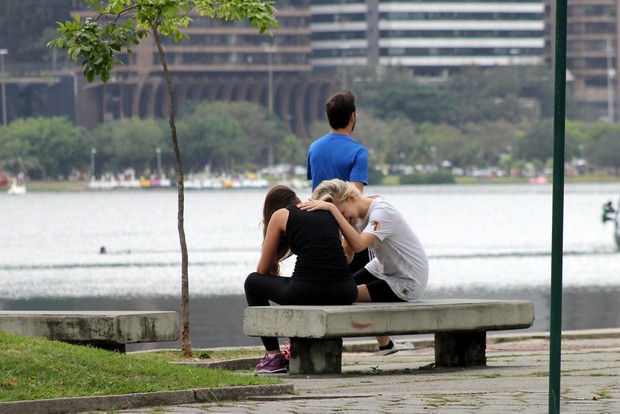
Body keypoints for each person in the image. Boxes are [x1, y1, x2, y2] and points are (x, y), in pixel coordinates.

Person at [298, 179, 429, 355]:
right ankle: (387, 346)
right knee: (340, 289)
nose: (344, 219)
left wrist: (332, 210)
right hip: (384, 267)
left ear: (352, 197)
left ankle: (385, 345)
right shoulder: (357, 212)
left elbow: (359, 245)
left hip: (408, 279)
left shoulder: (382, 212)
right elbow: (349, 254)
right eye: (339, 216)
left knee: (344, 295)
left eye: (342, 212)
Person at [244, 185, 358, 373]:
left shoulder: (280, 215)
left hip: (306, 291)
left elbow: (262, 270)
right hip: (345, 291)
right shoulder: (323, 211)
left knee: (252, 282)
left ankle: (274, 357)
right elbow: (345, 258)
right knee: (304, 282)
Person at [307, 90, 370, 272]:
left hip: (318, 225)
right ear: (353, 117)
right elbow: (354, 199)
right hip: (345, 231)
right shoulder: (358, 152)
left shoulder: (314, 148)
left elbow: (317, 190)